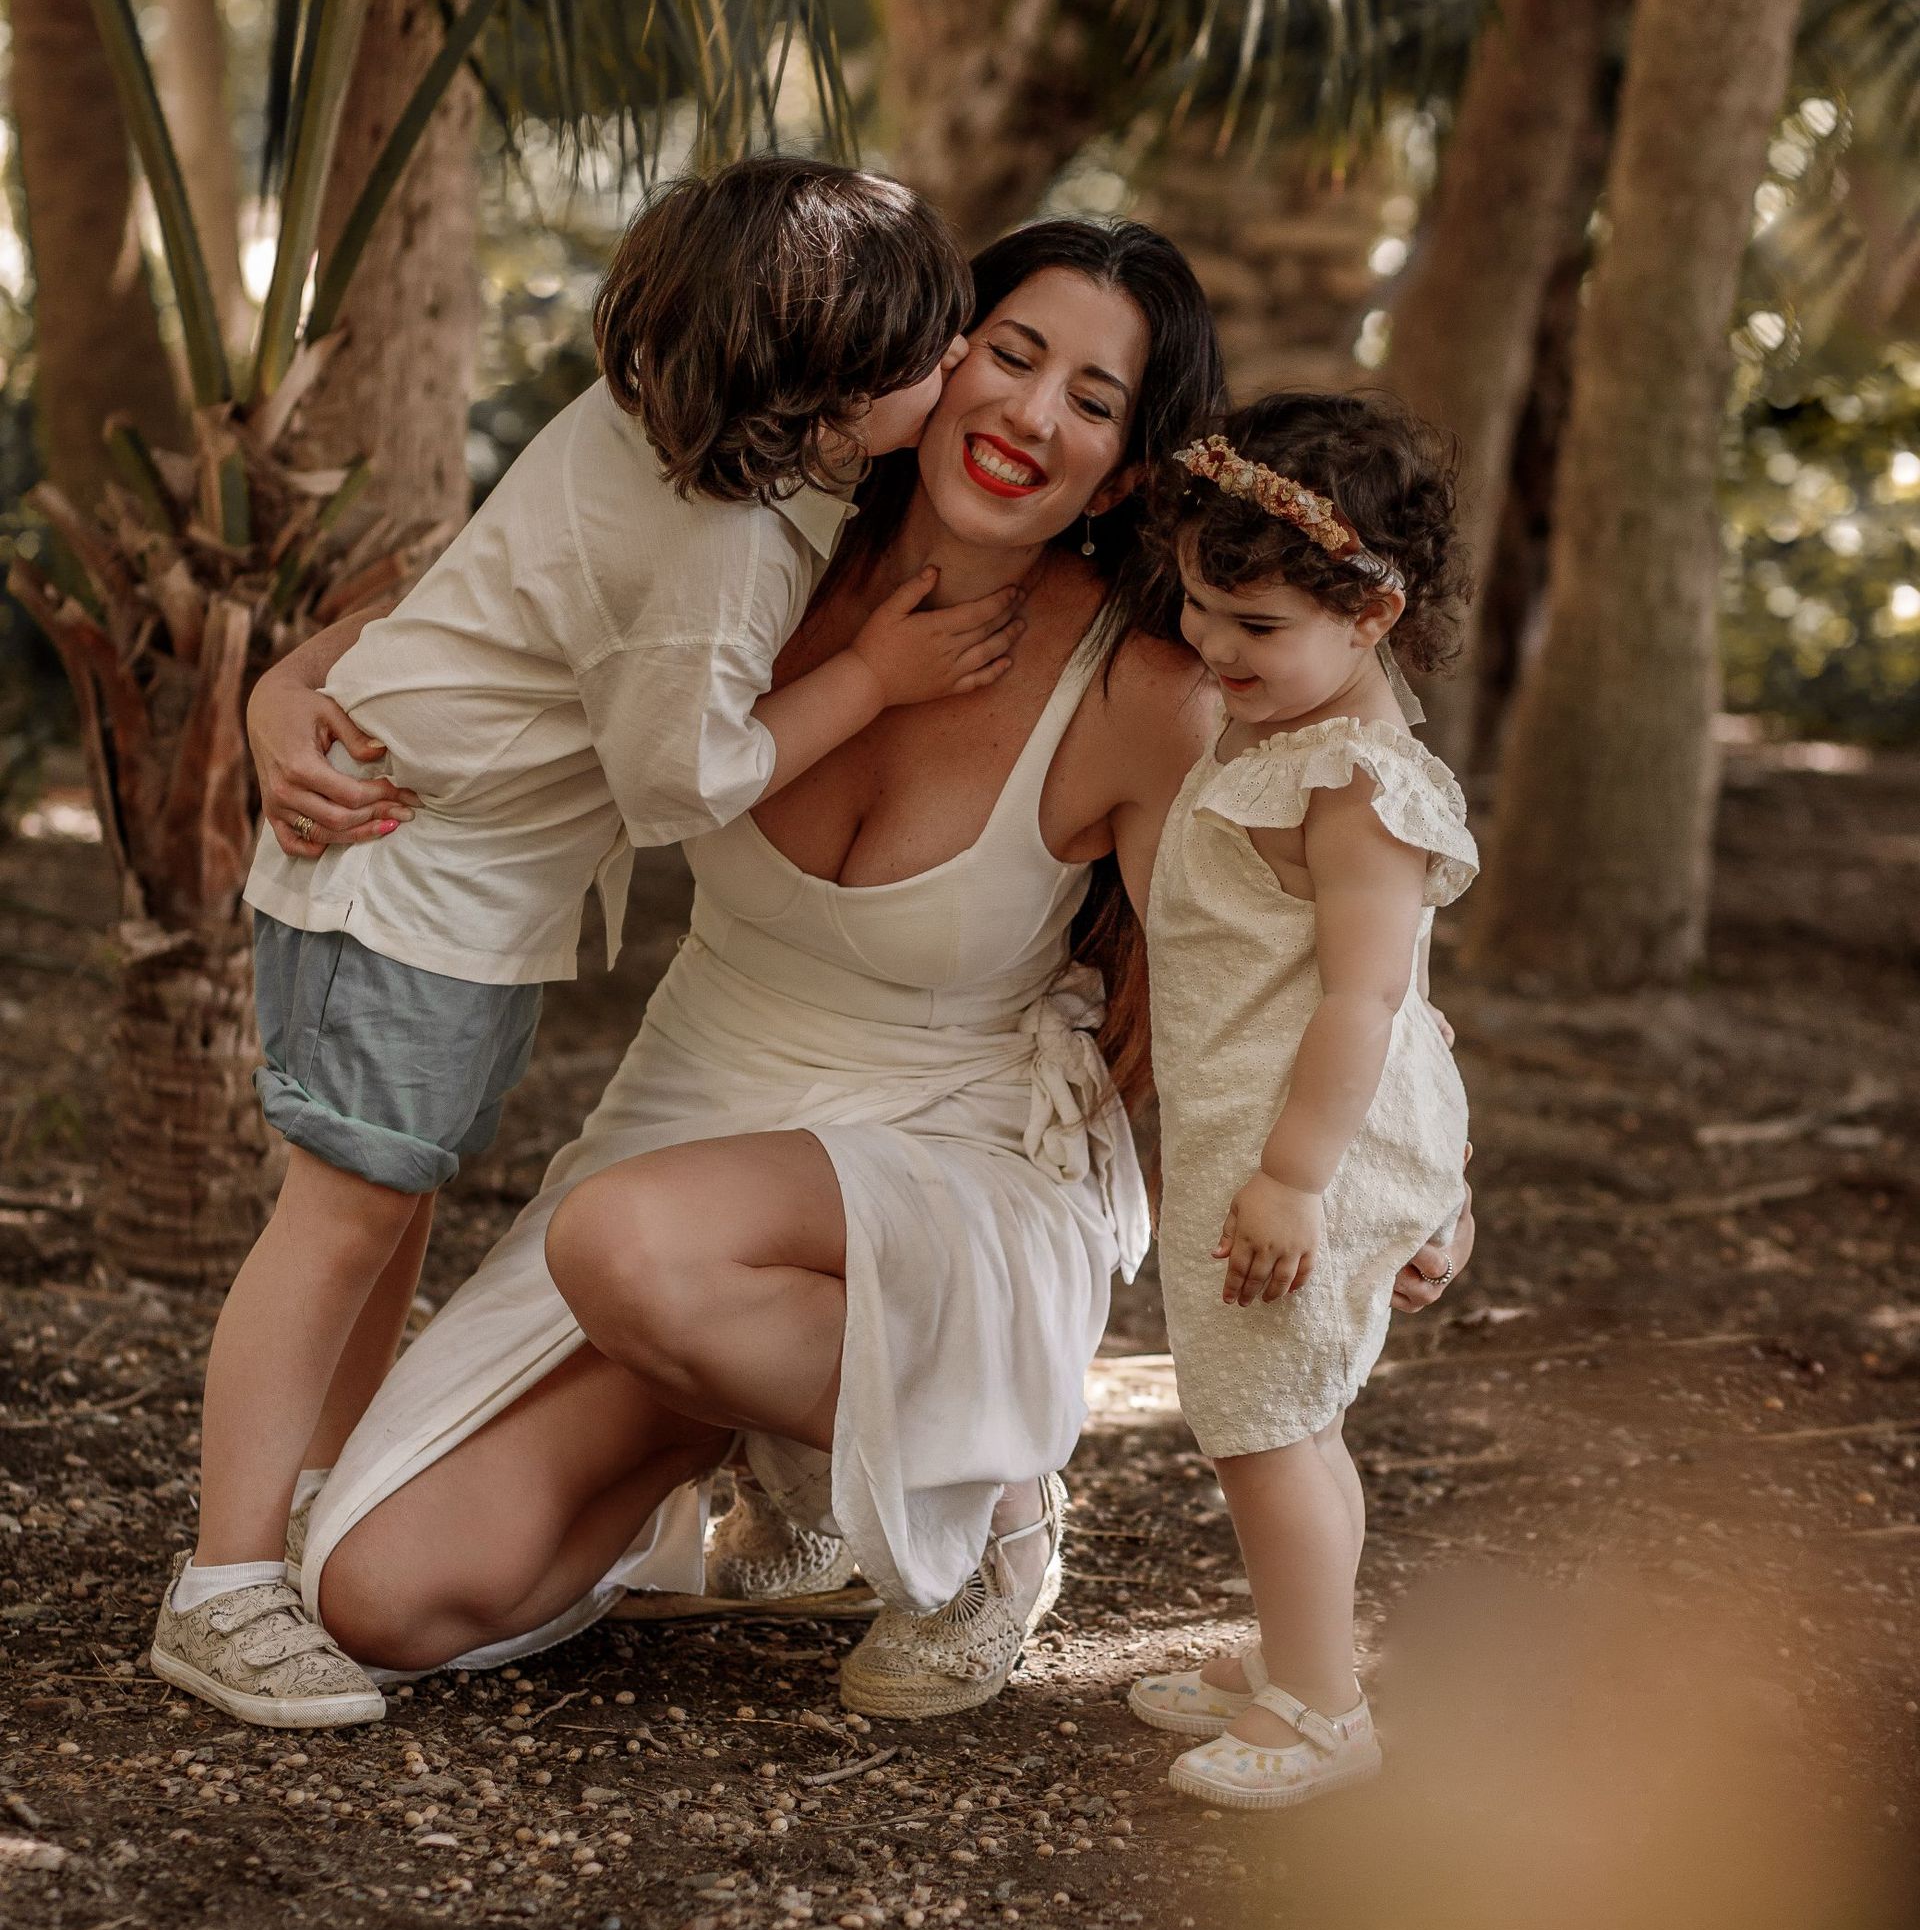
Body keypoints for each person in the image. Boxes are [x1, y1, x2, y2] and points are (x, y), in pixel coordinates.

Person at [256, 225, 1470, 1720]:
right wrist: (286, 689)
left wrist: (1411, 1170)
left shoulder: (1148, 691)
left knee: (630, 1246)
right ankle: (783, 1430)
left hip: (967, 1147)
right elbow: (489, 608)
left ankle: (995, 1503)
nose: (1032, 417)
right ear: (935, 357)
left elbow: (1302, 955)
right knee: (378, 1593)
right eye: (1011, 356)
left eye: (1093, 399)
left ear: (1133, 465)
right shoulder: (758, 543)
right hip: (707, 1106)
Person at [150, 158, 1009, 1730]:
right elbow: (684, 785)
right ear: (817, 400)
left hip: (441, 886)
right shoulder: (719, 549)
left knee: (387, 1214)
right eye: (926, 357)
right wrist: (877, 679)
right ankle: (222, 1584)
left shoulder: (652, 422)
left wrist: (291, 681)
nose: (955, 372)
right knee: (338, 1226)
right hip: (408, 882)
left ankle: (330, 1494)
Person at [1125, 395, 1478, 1810]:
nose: (1213, 645)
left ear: (1373, 613)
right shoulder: (1292, 736)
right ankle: (1296, 1652)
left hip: (1297, 1147)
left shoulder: (1355, 788)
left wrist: (1297, 1180)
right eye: (1202, 607)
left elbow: (1372, 1003)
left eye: (1254, 626)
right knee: (1280, 1420)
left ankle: (1326, 1709)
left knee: (1267, 1427)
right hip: (1265, 1130)